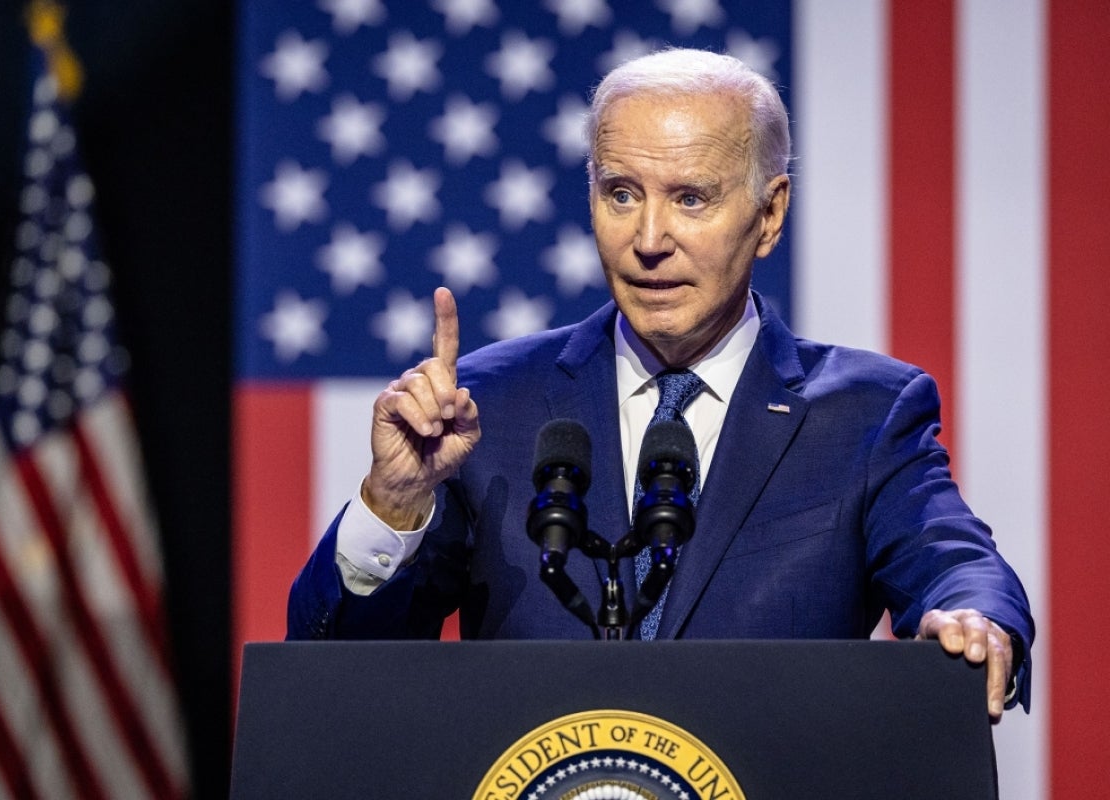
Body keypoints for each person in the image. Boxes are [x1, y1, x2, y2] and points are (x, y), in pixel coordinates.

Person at [286, 47, 1033, 719]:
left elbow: (954, 561)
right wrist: (394, 504)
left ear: (769, 214)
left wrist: (971, 617)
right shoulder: (487, 407)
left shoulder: (863, 415)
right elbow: (341, 674)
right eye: (621, 193)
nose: (648, 241)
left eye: (690, 198)